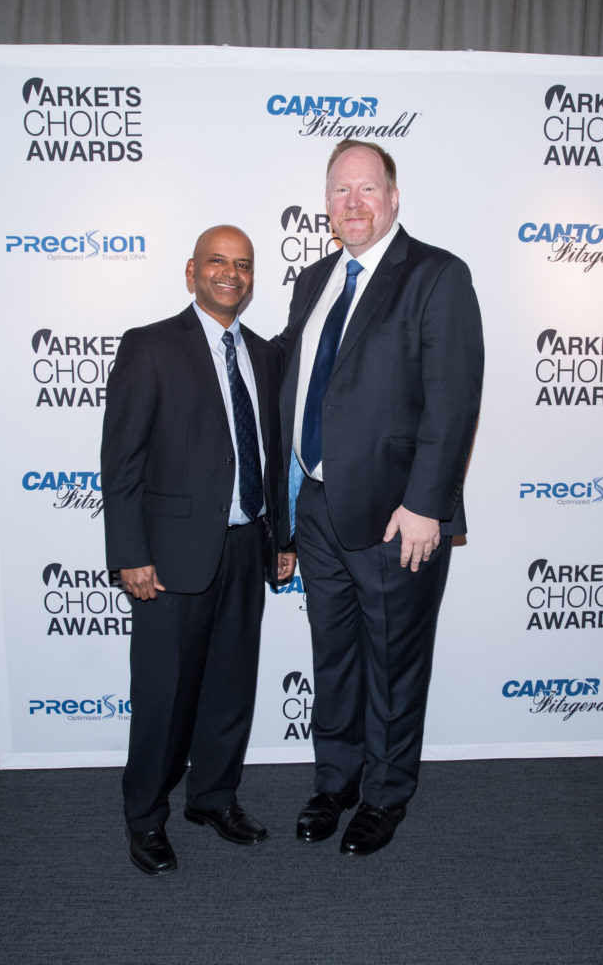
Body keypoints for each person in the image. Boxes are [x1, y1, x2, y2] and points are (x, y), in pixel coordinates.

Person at [277, 141, 484, 856]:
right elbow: (294, 379)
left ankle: (386, 794)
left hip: (399, 515)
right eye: (340, 191)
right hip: (317, 507)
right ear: (326, 205)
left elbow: (453, 401)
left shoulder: (436, 275)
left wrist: (427, 504)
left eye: (367, 188)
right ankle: (335, 782)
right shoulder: (313, 281)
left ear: (393, 198)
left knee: (394, 661)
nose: (354, 202)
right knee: (332, 654)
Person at [101, 225, 294, 875]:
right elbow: (122, 462)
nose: (230, 274)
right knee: (165, 696)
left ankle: (213, 797)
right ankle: (145, 817)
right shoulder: (151, 346)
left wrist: (281, 537)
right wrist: (130, 553)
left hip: (246, 546)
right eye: (217, 261)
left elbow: (271, 454)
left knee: (230, 688)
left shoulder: (263, 354)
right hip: (169, 558)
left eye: (243, 265)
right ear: (192, 272)